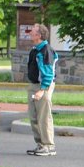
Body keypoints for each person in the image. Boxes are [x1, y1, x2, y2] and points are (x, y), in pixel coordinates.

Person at [25, 23, 58, 156]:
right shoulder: (35, 50)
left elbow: (48, 73)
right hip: (34, 86)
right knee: (34, 117)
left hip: (42, 86)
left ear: (38, 35)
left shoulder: (45, 50)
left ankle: (49, 146)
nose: (30, 32)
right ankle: (40, 144)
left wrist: (42, 89)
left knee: (44, 117)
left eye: (32, 30)